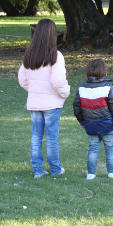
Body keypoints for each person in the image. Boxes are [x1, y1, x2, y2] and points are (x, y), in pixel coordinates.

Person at [18, 18, 70, 179]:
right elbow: (57, 80)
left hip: (35, 103)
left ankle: (38, 170)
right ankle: (55, 168)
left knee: (36, 136)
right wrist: (65, 93)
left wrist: (34, 90)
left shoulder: (30, 55)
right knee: (52, 137)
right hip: (51, 104)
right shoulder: (56, 56)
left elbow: (22, 79)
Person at [73, 58, 113, 180]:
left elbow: (76, 107)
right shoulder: (108, 88)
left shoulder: (82, 88)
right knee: (110, 148)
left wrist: (82, 121)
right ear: (105, 73)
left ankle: (91, 174)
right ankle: (112, 172)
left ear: (87, 73)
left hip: (90, 125)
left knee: (93, 148)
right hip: (107, 125)